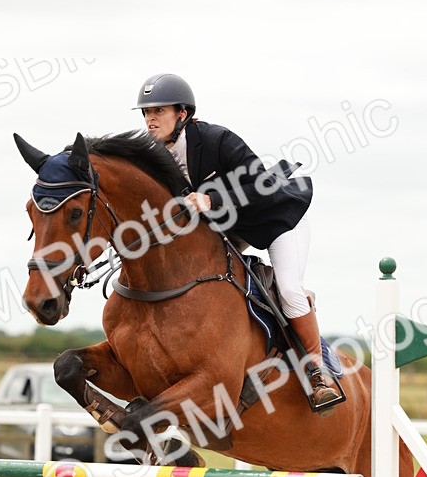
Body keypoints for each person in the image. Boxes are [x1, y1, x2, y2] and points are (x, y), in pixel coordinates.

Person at [132, 72, 340, 412]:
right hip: (230, 228)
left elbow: (260, 184)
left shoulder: (216, 139)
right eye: (146, 113)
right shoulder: (155, 155)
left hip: (276, 220)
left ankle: (317, 372)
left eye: (159, 111)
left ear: (182, 113)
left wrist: (211, 198)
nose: (150, 120)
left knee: (288, 289)